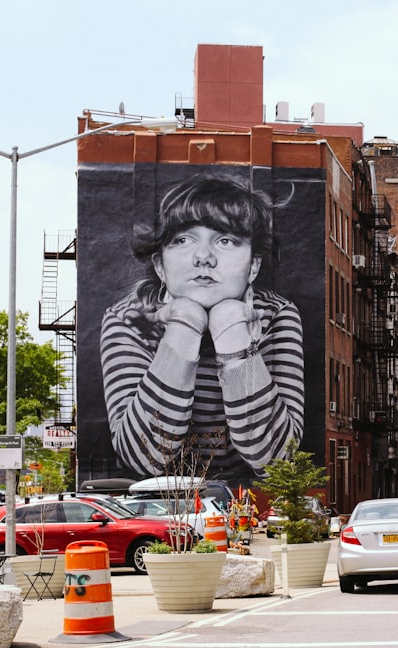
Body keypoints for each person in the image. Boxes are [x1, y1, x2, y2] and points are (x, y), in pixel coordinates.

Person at [100, 172, 305, 481]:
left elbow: (277, 461)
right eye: (183, 239)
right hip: (155, 505)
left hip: (247, 503)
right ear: (160, 265)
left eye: (225, 240)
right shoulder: (128, 320)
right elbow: (143, 458)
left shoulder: (277, 316)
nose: (203, 257)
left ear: (253, 266)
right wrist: (184, 324)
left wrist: (232, 332)